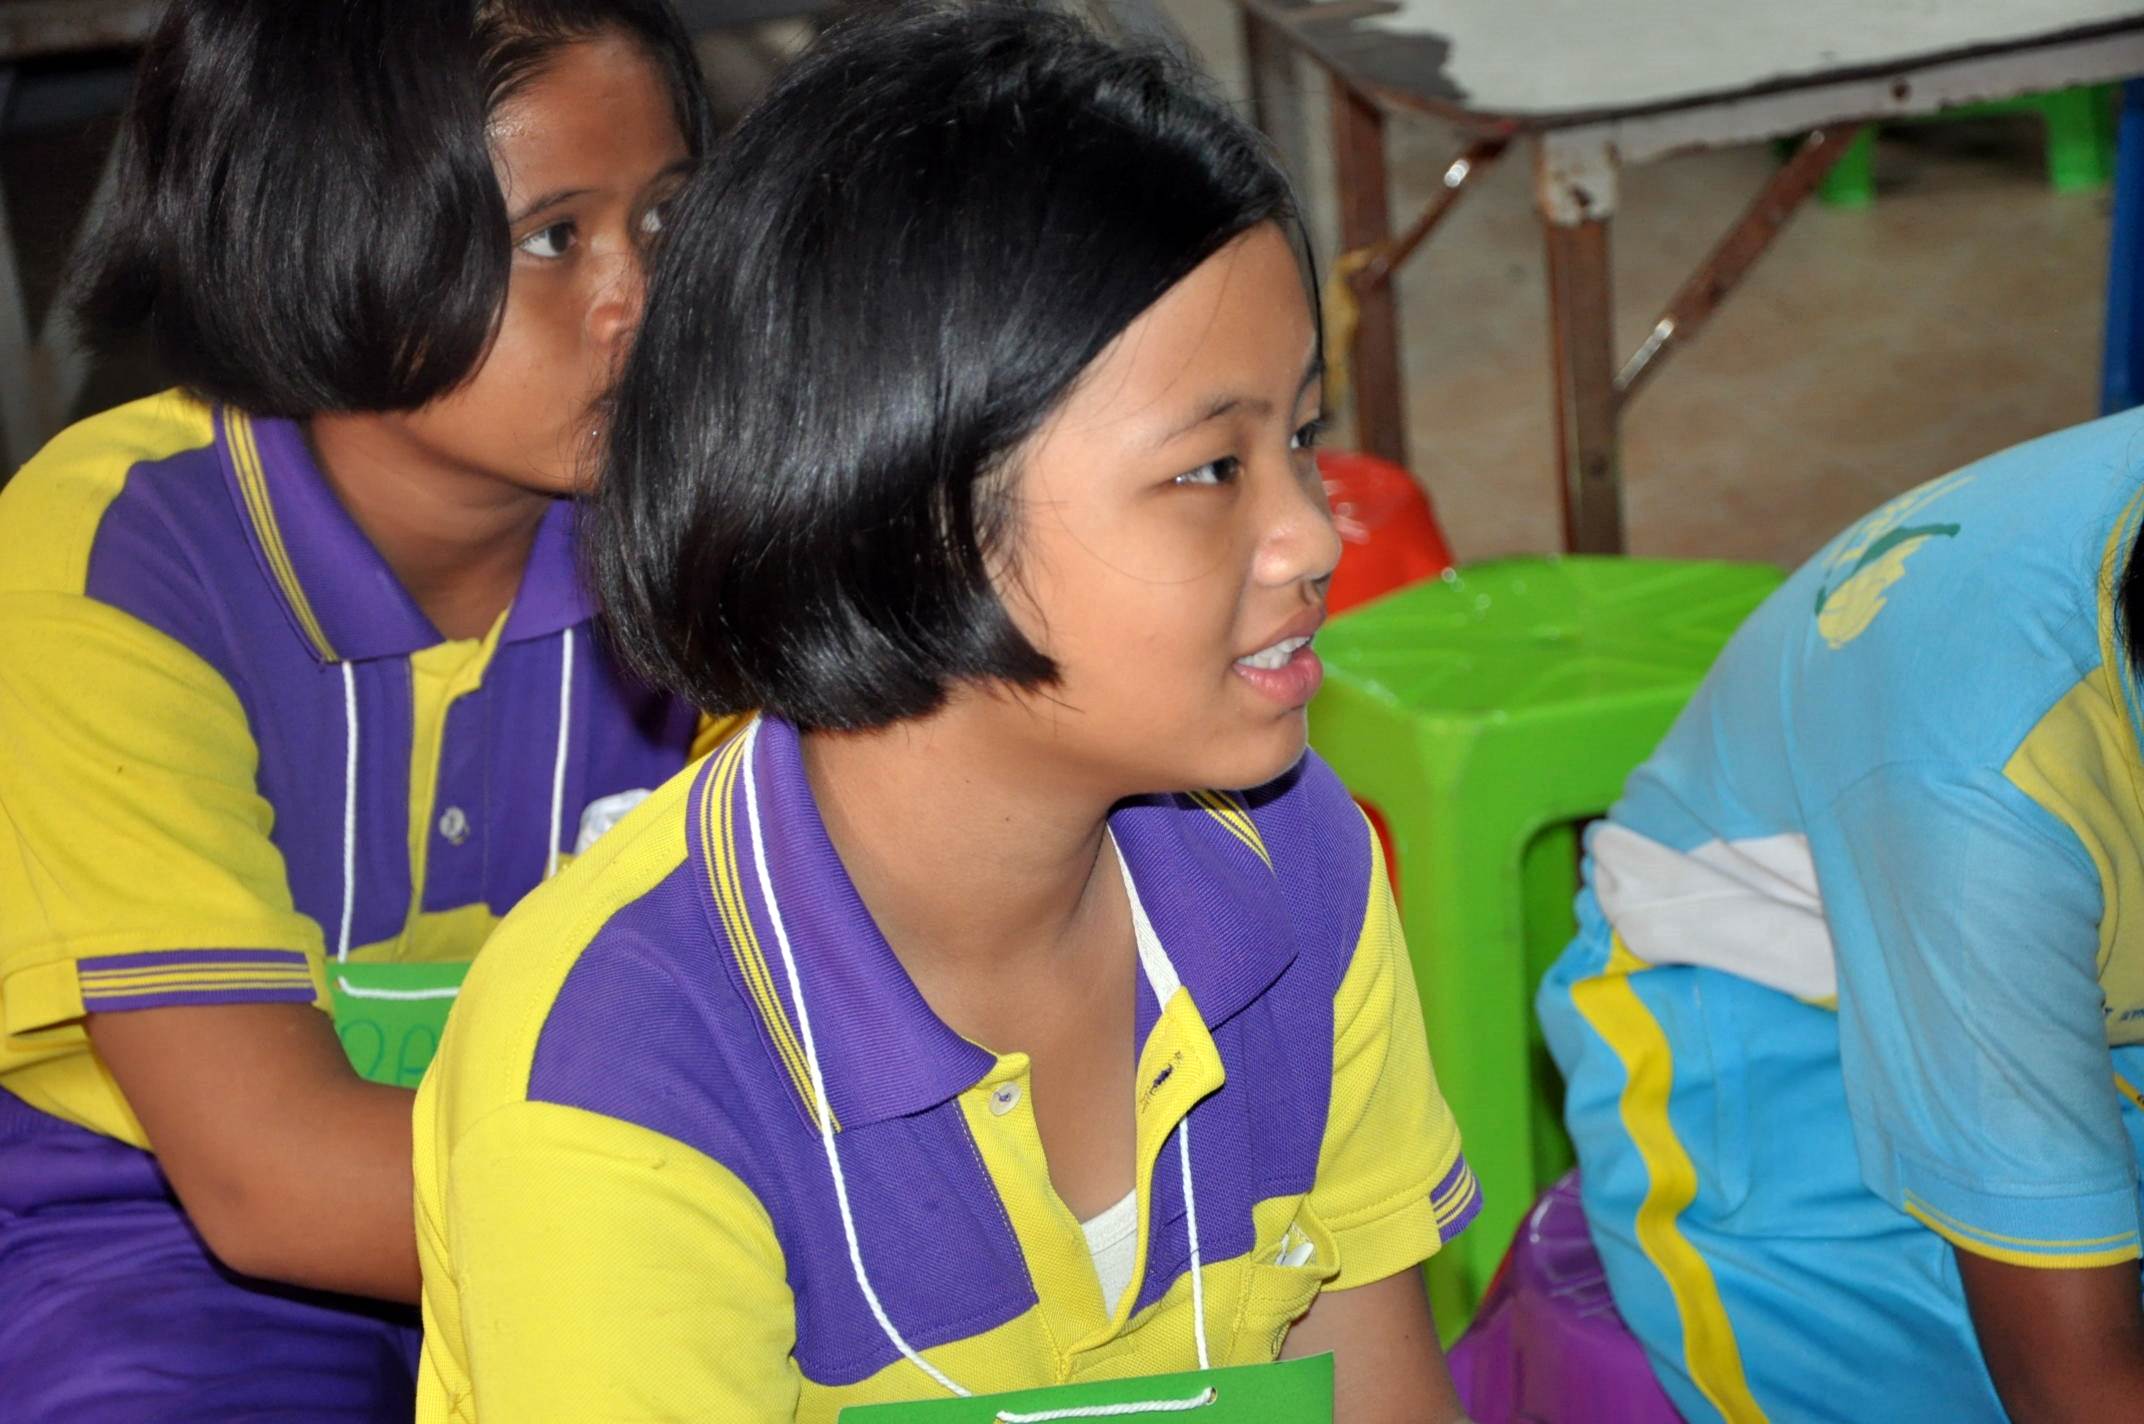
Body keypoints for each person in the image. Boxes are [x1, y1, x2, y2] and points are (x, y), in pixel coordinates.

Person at [412, 6, 1481, 1421]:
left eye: (1298, 435)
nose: (1314, 535)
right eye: (1209, 470)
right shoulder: (620, 1071)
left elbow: (1374, 1387)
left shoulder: (1291, 862)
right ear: (904, 515)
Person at [0, 1, 718, 1418]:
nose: (639, 297)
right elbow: (268, 1181)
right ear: (322, 236)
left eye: (665, 220)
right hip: (167, 1245)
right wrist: (778, 1225)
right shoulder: (118, 559)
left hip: (637, 1207)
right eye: (554, 237)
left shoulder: (721, 524)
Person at [1539, 408, 2144, 1422]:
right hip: (1776, 1004)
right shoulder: (1987, 791)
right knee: (1931, 1385)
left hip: (2061, 953)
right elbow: (2070, 1389)